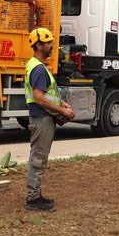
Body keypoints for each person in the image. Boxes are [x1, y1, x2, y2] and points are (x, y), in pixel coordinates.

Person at [24, 27, 76, 211]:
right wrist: (62, 110)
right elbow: (39, 98)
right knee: (38, 159)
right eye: (48, 43)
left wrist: (62, 103)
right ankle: (33, 200)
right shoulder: (39, 69)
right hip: (42, 118)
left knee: (38, 157)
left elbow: (46, 94)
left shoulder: (36, 65)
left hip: (42, 117)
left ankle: (35, 195)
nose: (52, 45)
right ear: (38, 46)